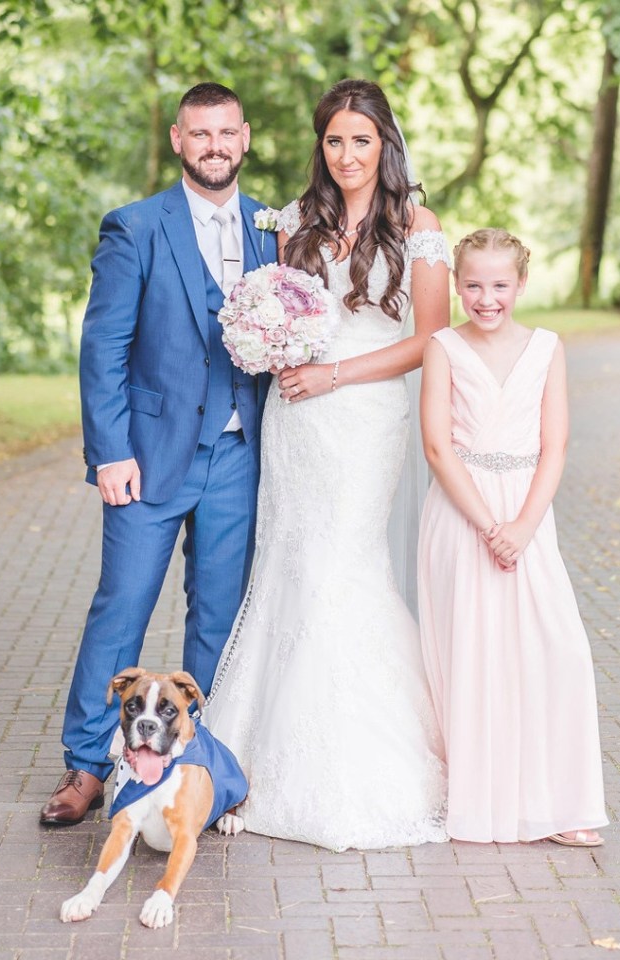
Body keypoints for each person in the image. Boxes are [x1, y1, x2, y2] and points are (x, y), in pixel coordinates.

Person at [202, 79, 451, 852]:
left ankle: (362, 765)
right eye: (335, 141)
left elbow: (433, 340)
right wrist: (273, 348)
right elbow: (282, 311)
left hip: (364, 414)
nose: (347, 155)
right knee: (290, 564)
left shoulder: (418, 226)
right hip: (297, 419)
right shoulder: (296, 222)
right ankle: (257, 760)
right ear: (323, 146)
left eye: (362, 141)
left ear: (386, 145)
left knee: (344, 565)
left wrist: (336, 374)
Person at [39, 83, 278, 826]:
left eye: (226, 133)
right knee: (122, 611)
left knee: (219, 617)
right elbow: (102, 347)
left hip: (238, 456)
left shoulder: (273, 230)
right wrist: (110, 451)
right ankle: (85, 766)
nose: (215, 146)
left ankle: (188, 766)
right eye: (199, 133)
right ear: (179, 139)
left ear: (244, 139)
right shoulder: (135, 227)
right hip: (146, 459)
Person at [417, 228, 608, 846]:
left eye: (500, 285)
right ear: (456, 285)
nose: (486, 297)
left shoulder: (547, 347)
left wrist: (522, 526)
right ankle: (479, 798)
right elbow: (438, 448)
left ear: (521, 284)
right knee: (474, 653)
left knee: (557, 650)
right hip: (461, 512)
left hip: (528, 514)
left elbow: (555, 445)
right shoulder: (442, 347)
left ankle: (560, 803)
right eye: (472, 284)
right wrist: (487, 526)